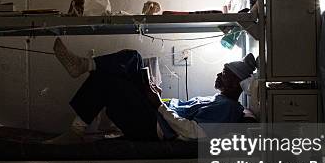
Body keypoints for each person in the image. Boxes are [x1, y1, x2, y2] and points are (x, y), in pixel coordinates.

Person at [46, 38, 257, 144]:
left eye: (224, 74)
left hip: (152, 125)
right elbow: (183, 113)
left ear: (234, 85)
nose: (218, 76)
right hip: (155, 112)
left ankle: (77, 128)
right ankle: (84, 65)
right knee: (133, 58)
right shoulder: (218, 100)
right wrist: (157, 96)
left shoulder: (227, 108)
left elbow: (195, 132)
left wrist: (158, 104)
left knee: (109, 80)